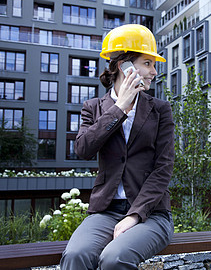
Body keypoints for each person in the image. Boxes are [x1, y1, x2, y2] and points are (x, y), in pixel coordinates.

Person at [60, 24, 175, 270]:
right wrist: (119, 108)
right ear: (125, 65)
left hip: (151, 213)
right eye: (148, 63)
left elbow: (163, 168)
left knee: (115, 258)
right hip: (105, 211)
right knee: (75, 255)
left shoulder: (160, 110)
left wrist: (134, 215)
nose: (154, 72)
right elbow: (83, 149)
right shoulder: (93, 108)